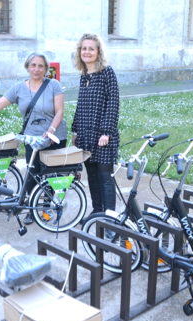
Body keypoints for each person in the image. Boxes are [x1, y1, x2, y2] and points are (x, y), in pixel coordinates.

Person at [0, 52, 67, 224]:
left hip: (54, 136)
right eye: (33, 65)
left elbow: (59, 111)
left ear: (46, 69)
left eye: (41, 66)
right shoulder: (19, 88)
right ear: (27, 66)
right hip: (32, 138)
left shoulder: (53, 85)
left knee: (51, 175)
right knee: (32, 173)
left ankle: (45, 207)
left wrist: (51, 130)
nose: (36, 69)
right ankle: (31, 209)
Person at [71, 33, 120, 214]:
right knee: (91, 176)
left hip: (103, 136)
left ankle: (109, 217)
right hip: (85, 134)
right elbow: (80, 105)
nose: (87, 52)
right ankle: (97, 212)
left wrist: (106, 132)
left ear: (98, 51)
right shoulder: (84, 75)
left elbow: (113, 103)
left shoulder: (107, 72)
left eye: (91, 48)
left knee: (104, 177)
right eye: (84, 48)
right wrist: (75, 131)